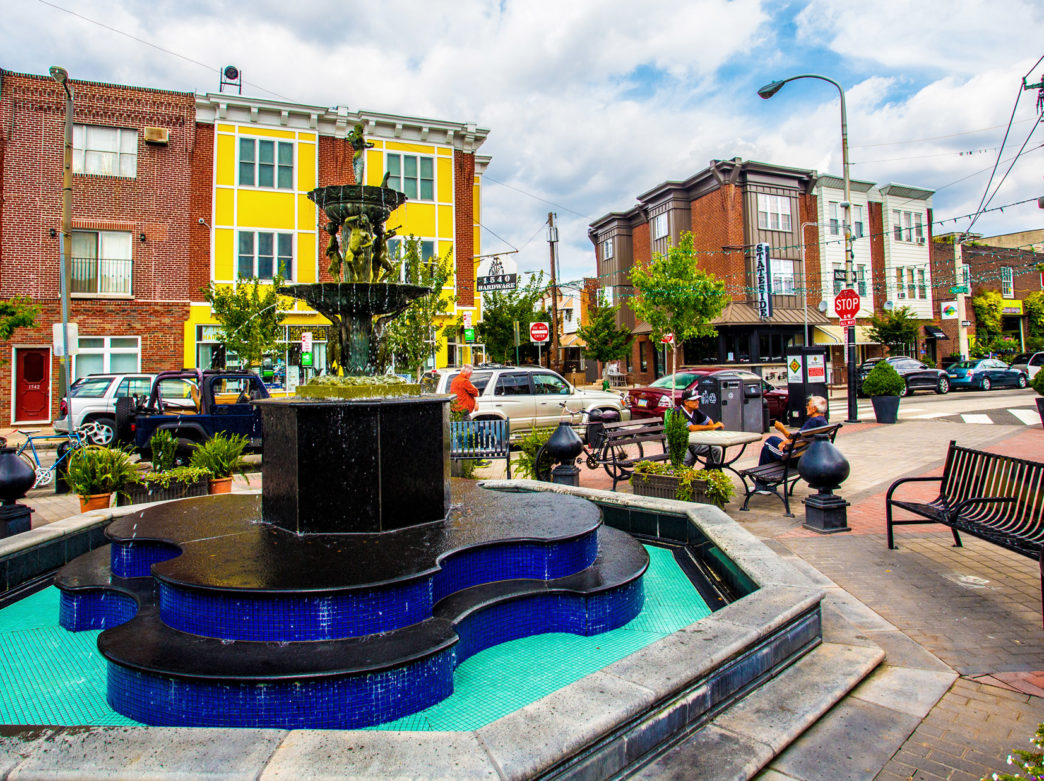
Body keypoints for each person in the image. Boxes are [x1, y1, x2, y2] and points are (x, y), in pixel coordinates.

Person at [758, 395, 829, 465]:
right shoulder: (823, 422)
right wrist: (786, 441)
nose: (806, 407)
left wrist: (781, 429)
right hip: (810, 455)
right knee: (771, 443)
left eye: (808, 405)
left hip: (795, 456)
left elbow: (794, 438)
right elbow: (798, 438)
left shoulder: (813, 421)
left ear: (814, 409)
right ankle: (763, 474)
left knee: (768, 443)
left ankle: (760, 474)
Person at [678, 387, 724, 467]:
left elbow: (709, 421)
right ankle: (683, 476)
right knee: (689, 458)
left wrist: (711, 430)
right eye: (694, 400)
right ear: (686, 402)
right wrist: (713, 426)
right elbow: (692, 428)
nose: (697, 402)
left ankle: (710, 472)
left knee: (715, 450)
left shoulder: (695, 410)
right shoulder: (678, 412)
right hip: (680, 443)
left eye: (697, 400)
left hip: (693, 442)